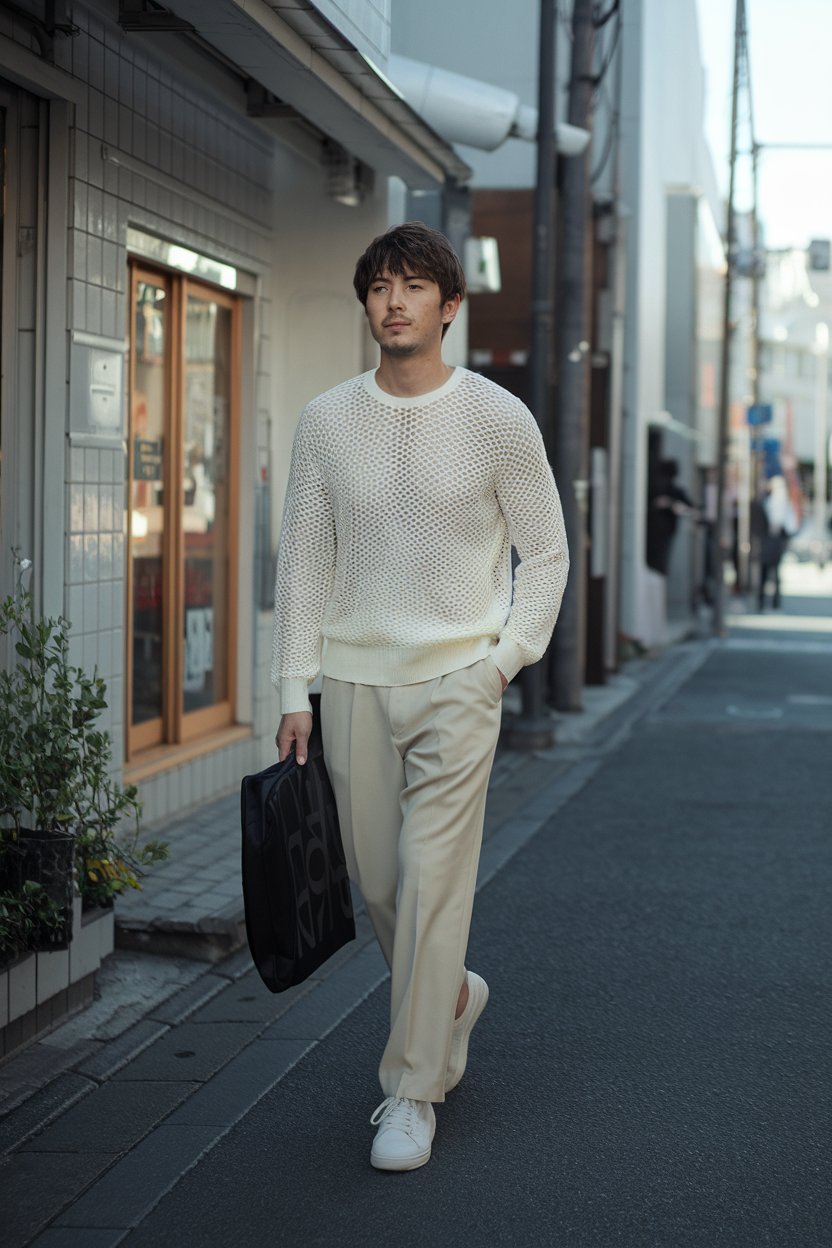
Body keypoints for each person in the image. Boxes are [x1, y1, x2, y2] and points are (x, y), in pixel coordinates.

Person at [271, 222, 569, 1172]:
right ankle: (449, 1000)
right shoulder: (325, 420)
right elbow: (305, 561)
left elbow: (548, 552)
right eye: (378, 287)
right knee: (382, 885)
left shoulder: (497, 417)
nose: (392, 301)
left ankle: (411, 1091)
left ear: (450, 305)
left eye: (411, 286)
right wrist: (293, 687)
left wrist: (504, 660)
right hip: (353, 678)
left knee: (436, 885)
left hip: (458, 680)